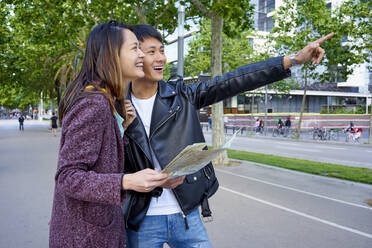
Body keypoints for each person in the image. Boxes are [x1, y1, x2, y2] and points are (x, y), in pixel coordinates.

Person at [123, 24, 333, 248]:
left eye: (162, 50)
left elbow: (234, 80)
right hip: (141, 220)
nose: (161, 59)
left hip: (187, 216)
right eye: (151, 51)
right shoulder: (114, 105)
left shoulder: (183, 95)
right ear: (133, 55)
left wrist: (292, 60)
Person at [49, 21, 170, 248]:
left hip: (94, 231)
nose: (142, 56)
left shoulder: (105, 100)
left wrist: (121, 129)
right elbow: (68, 176)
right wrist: (127, 181)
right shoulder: (94, 103)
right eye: (135, 49)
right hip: (87, 237)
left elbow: (99, 160)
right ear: (112, 55)